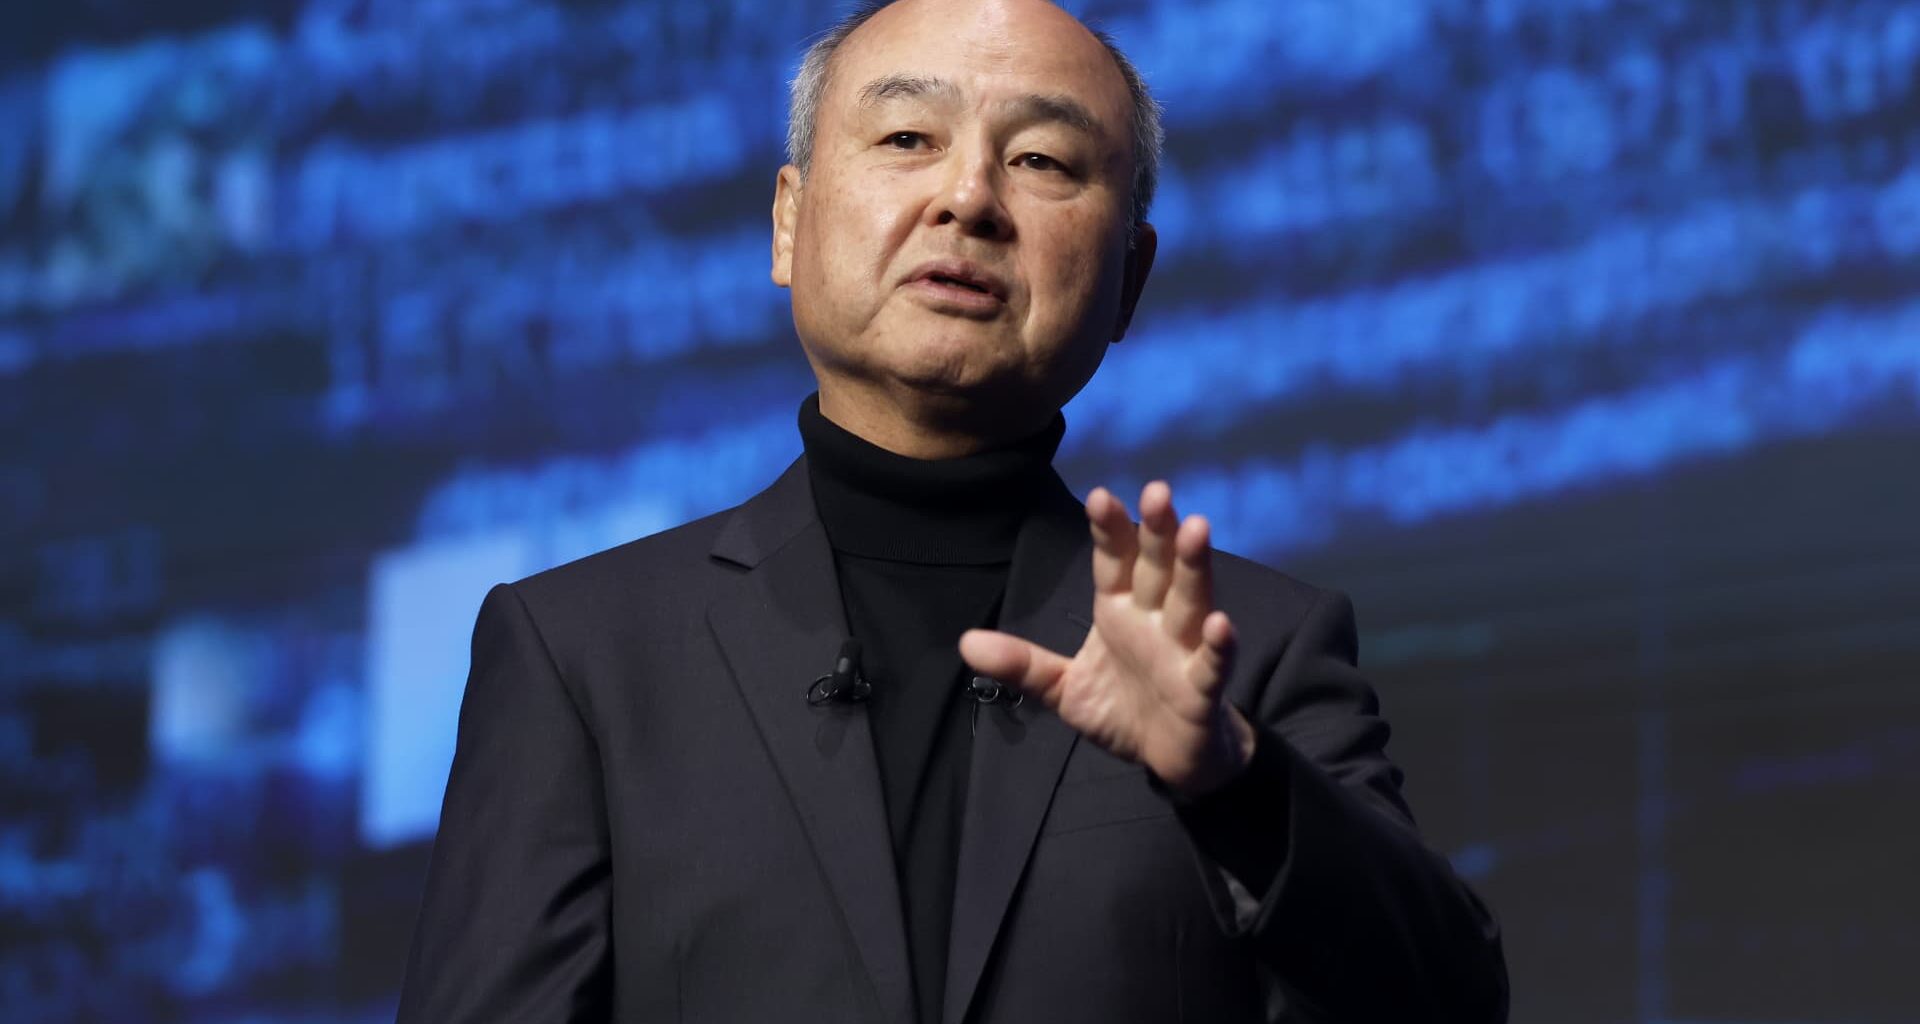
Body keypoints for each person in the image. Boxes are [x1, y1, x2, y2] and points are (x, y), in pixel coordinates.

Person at [395, 1, 1509, 1021]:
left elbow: (1452, 1002)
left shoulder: (1251, 654)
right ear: (788, 222)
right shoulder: (582, 652)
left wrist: (1233, 783)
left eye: (1041, 160)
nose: (969, 197)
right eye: (906, 138)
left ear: (1130, 278)